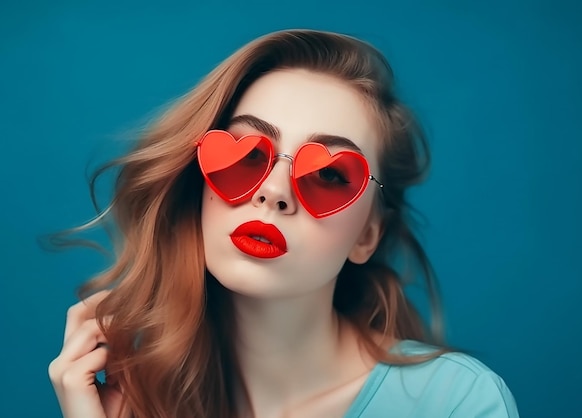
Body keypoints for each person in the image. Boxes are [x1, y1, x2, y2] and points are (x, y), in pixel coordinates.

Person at [48, 29, 519, 418]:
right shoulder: (140, 404)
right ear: (200, 186)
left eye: (330, 174)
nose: (273, 191)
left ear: (367, 234)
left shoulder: (455, 402)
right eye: (247, 154)